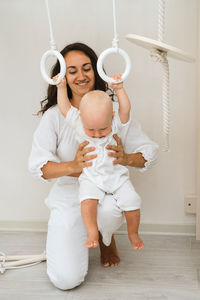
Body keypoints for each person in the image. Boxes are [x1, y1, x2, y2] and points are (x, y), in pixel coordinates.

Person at [29, 42, 158, 290]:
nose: (81, 75)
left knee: (111, 209)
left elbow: (149, 151)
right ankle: (85, 233)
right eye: (72, 70)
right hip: (71, 193)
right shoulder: (56, 116)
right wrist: (73, 166)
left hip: (108, 189)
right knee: (66, 280)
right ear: (64, 76)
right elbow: (38, 167)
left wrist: (126, 158)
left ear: (96, 71)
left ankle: (105, 236)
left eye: (86, 68)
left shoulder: (113, 112)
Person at [54, 71, 144, 250]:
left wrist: (119, 90)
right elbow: (64, 108)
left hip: (117, 177)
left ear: (112, 117)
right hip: (91, 177)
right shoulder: (78, 123)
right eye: (91, 130)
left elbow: (125, 109)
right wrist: (61, 87)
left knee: (133, 202)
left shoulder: (116, 122)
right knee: (87, 201)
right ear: (81, 118)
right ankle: (92, 231)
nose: (97, 134)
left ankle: (133, 233)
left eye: (103, 129)